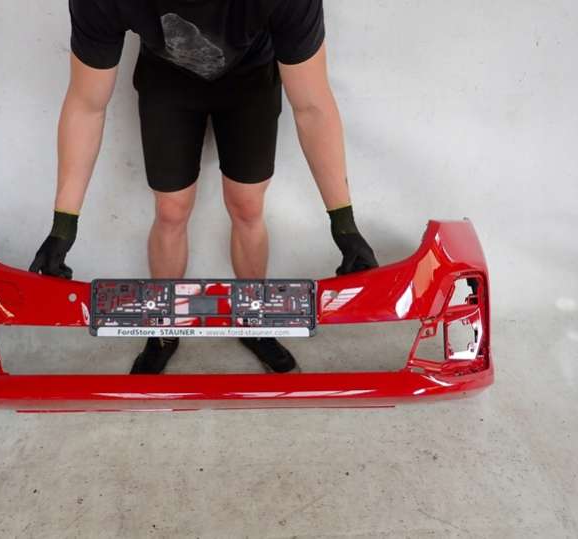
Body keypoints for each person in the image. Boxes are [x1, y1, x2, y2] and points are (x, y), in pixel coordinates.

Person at [30, 0, 378, 374]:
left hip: (251, 80)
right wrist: (63, 228)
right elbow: (86, 104)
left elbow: (313, 105)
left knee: (247, 205)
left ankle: (253, 318)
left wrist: (344, 225)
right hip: (167, 82)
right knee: (171, 209)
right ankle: (164, 327)